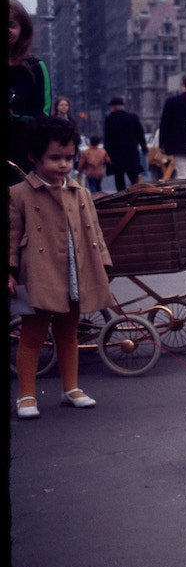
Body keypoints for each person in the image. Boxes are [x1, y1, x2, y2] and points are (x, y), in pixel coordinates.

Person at [9, 116, 115, 419]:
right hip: (40, 273)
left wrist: (103, 265)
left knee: (69, 333)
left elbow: (94, 232)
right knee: (32, 334)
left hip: (75, 272)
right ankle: (26, 395)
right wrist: (10, 271)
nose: (63, 165)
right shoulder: (19, 194)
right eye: (55, 158)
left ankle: (71, 388)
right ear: (33, 156)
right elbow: (11, 236)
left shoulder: (79, 191)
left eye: (69, 158)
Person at [8, 0, 52, 183]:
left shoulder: (36, 67)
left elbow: (43, 116)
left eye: (11, 24)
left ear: (22, 28)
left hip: (24, 160)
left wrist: (13, 116)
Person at [157, 72, 186, 181]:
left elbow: (164, 125)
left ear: (182, 84)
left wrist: (162, 144)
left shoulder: (171, 102)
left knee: (184, 173)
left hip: (177, 144)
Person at [102, 96, 147, 192]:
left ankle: (122, 198)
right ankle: (136, 195)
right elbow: (140, 134)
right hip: (131, 153)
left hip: (116, 154)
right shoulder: (133, 117)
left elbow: (107, 138)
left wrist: (107, 153)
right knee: (133, 177)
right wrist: (144, 147)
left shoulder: (110, 119)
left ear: (113, 107)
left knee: (119, 179)